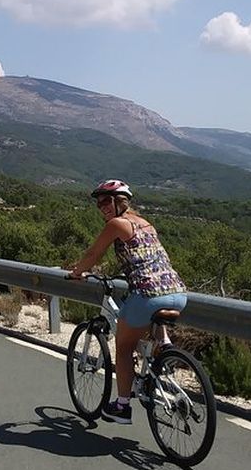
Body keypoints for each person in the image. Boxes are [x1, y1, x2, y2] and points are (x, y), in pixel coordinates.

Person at [69, 179, 187, 424]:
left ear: (119, 202)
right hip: (177, 293)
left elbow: (93, 253)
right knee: (145, 318)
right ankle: (163, 344)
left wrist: (78, 272)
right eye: (99, 203)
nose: (102, 207)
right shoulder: (146, 224)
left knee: (123, 349)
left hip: (148, 295)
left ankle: (122, 406)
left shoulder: (116, 224)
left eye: (105, 201)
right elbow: (146, 259)